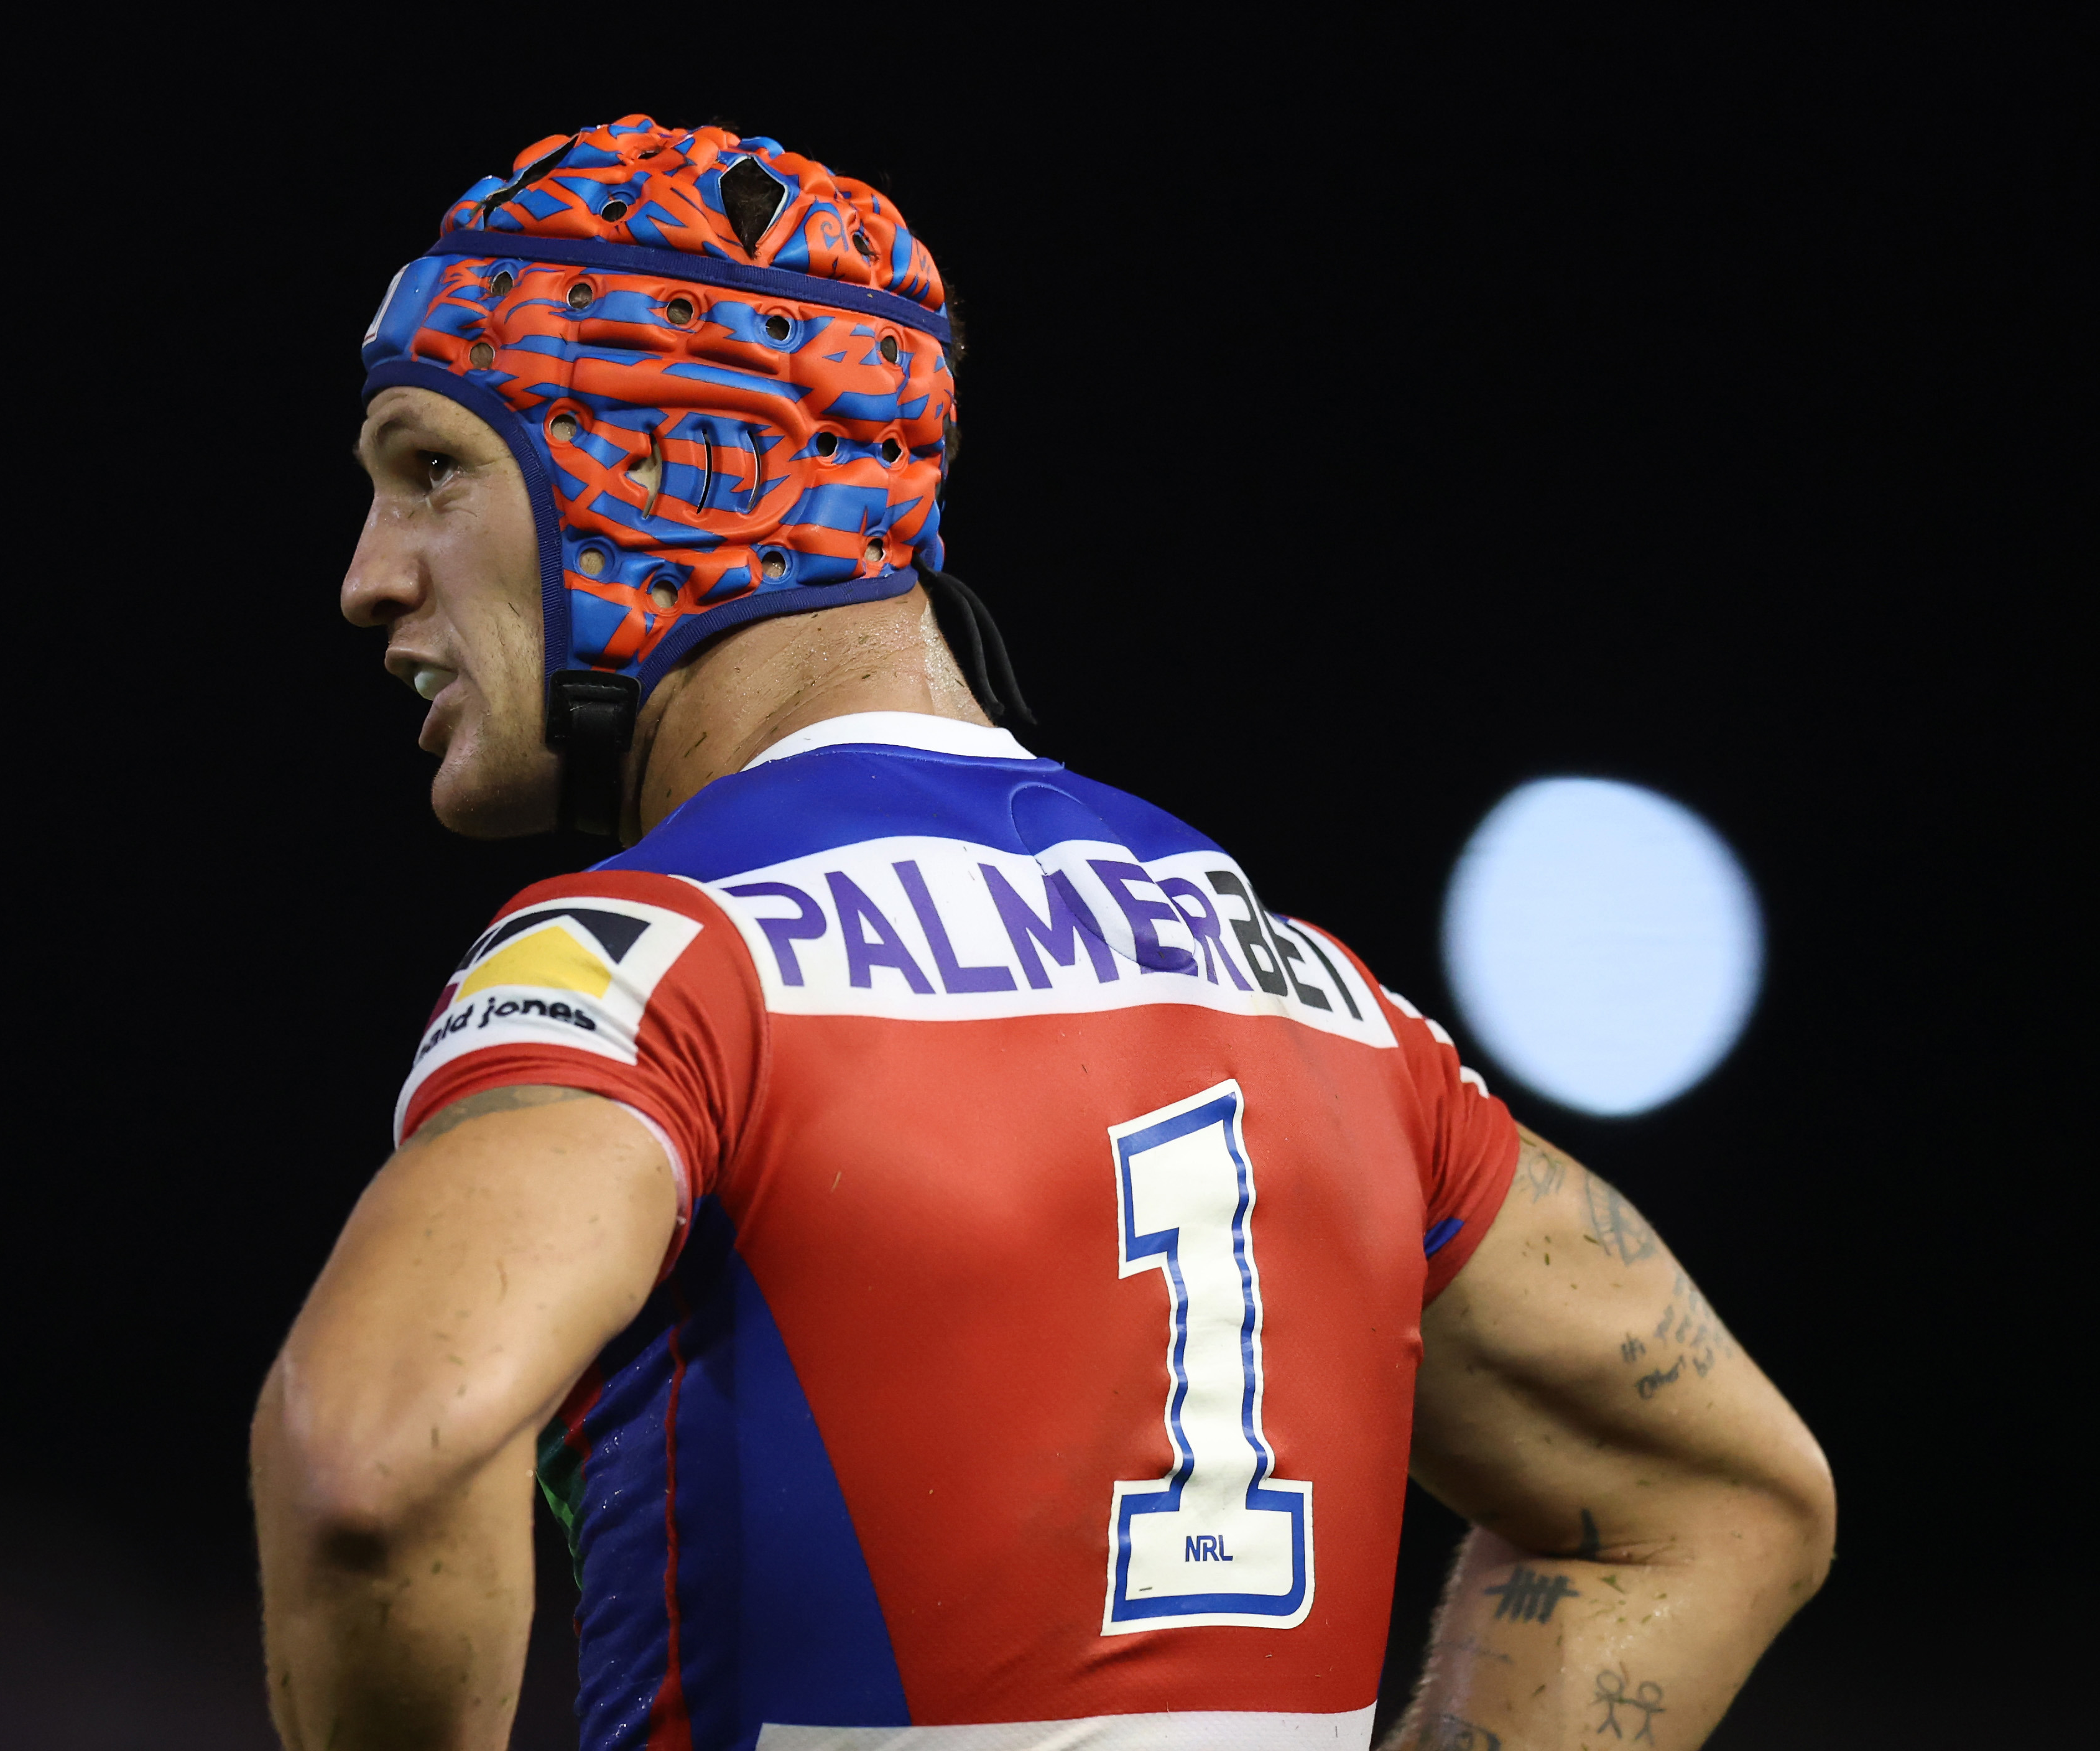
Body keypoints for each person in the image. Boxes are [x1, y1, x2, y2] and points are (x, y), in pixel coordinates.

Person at [251, 117, 1834, 1751]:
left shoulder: (653, 965)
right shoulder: (1333, 1011)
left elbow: (375, 1462)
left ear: (676, 464)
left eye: (431, 470)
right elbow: (1721, 1503)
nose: (370, 579)